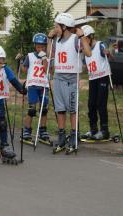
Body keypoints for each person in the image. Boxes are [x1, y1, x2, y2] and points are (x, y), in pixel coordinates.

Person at [47, 13, 91, 153]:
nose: (55, 28)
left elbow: (88, 53)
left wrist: (82, 36)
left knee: (72, 109)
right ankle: (61, 137)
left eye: (56, 26)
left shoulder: (74, 39)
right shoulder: (57, 40)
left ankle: (73, 136)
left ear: (64, 26)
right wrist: (49, 39)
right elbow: (49, 55)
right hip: (58, 77)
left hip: (71, 78)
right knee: (60, 109)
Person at [81, 25, 111, 140]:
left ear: (91, 37)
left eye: (86, 39)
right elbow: (85, 65)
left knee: (101, 103)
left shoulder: (100, 45)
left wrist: (107, 52)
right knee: (91, 104)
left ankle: (104, 130)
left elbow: (106, 54)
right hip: (93, 79)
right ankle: (93, 129)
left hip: (103, 77)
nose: (84, 42)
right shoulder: (85, 50)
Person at [21, 33, 51, 145]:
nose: (40, 49)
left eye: (43, 47)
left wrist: (44, 58)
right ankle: (27, 131)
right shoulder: (30, 56)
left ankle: (43, 131)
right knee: (32, 109)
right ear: (35, 46)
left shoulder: (46, 57)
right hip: (33, 85)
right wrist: (20, 61)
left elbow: (46, 70)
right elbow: (24, 69)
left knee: (44, 109)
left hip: (44, 85)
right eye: (38, 47)